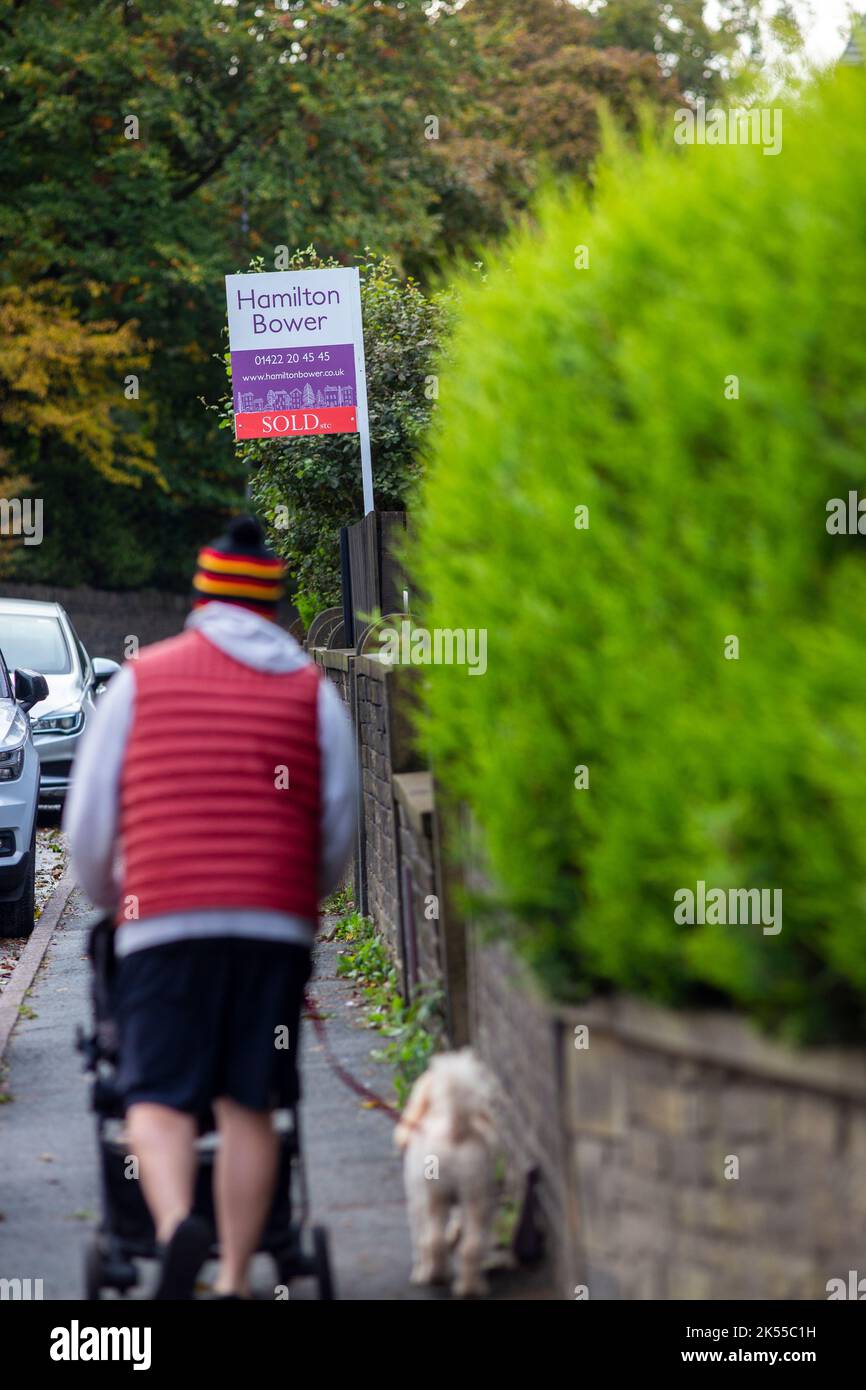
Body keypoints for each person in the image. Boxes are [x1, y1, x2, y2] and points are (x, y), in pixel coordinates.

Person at [64, 514, 357, 1299]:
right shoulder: (311, 689)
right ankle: (232, 1277)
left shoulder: (141, 680)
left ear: (199, 598)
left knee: (155, 1094)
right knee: (249, 1099)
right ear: (271, 606)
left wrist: (113, 902)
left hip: (161, 919)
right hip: (271, 926)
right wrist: (299, 902)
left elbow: (88, 824)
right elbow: (336, 830)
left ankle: (172, 1228)